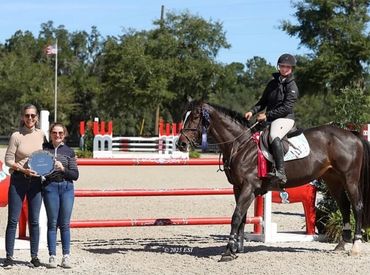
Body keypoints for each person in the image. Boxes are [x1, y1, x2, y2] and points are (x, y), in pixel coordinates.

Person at [245, 53, 299, 186]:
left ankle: (280, 171)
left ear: (291, 68)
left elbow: (286, 108)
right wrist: (252, 111)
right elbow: (262, 102)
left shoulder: (292, 87)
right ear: (278, 67)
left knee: (274, 135)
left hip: (285, 119)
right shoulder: (272, 83)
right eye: (282, 66)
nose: (284, 69)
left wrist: (267, 115)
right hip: (270, 118)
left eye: (287, 67)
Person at [3, 104, 45, 268]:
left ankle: (34, 256)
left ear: (37, 118)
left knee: (34, 221)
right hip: (19, 180)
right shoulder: (16, 136)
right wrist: (22, 169)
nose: (30, 118)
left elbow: (46, 156)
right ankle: (9, 256)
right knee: (13, 220)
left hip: (35, 182)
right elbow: (8, 160)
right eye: (27, 115)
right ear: (22, 117)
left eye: (33, 115)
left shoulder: (42, 135)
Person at [42, 122, 79, 269]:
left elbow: (75, 175)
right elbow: (39, 169)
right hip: (50, 187)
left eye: (60, 133)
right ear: (50, 134)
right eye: (54, 133)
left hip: (67, 188)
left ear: (64, 135)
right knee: (52, 223)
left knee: (64, 224)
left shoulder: (69, 152)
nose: (57, 135)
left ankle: (66, 256)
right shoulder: (44, 149)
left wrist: (63, 168)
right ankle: (52, 256)